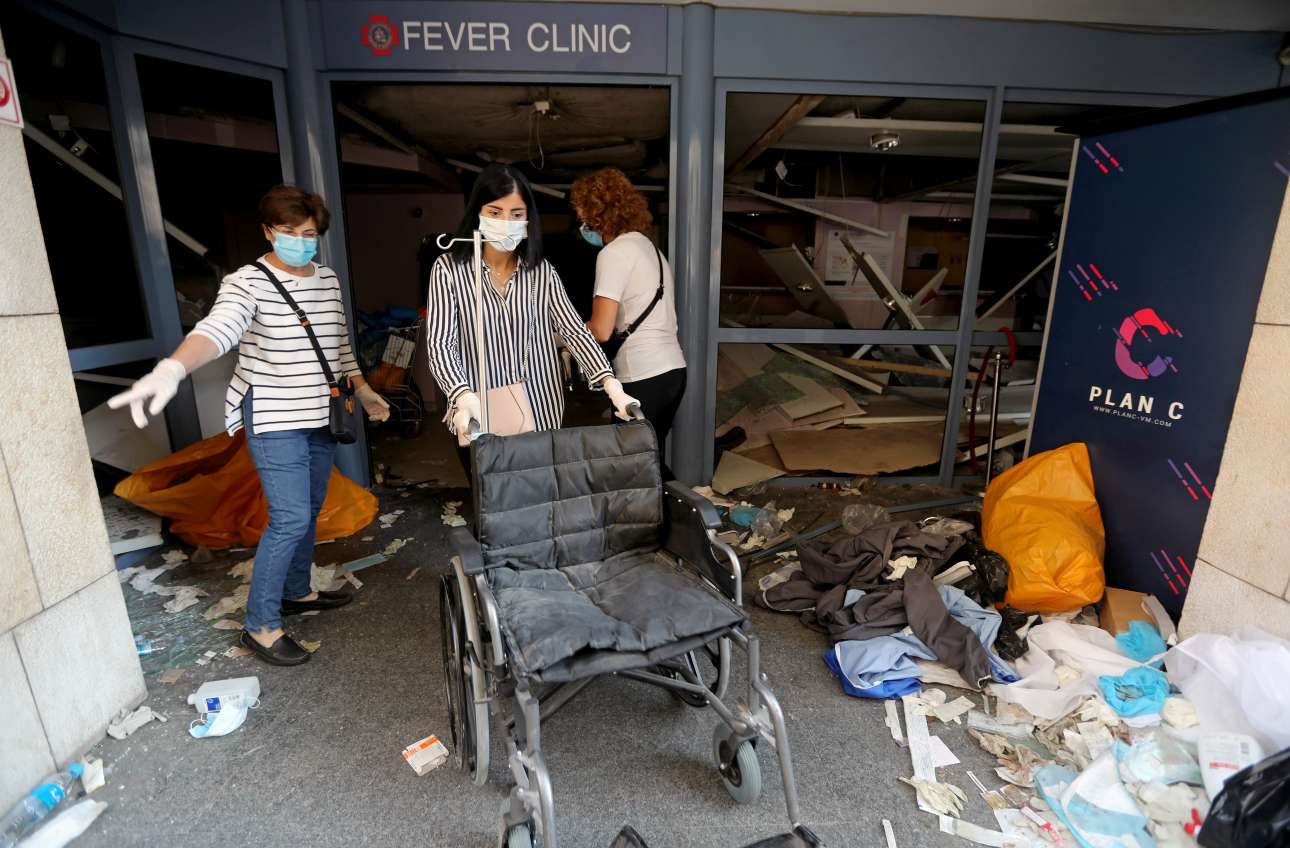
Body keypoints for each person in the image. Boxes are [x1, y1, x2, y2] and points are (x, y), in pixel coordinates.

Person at [107, 185, 390, 667]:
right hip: (275, 418)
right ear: (268, 232)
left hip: (322, 413)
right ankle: (260, 626)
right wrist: (173, 368)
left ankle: (296, 592)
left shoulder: (326, 279)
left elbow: (339, 343)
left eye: (309, 234)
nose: (300, 241)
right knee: (290, 518)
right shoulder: (247, 283)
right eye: (289, 232)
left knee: (310, 508)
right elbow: (217, 329)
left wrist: (361, 389)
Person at [426, 164, 639, 477]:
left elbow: (574, 332)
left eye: (516, 214)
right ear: (477, 213)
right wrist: (461, 394)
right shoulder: (449, 270)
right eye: (495, 212)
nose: (506, 222)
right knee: (493, 499)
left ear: (528, 219)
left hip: (541, 410)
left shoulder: (541, 273)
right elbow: (441, 344)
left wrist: (611, 385)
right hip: (478, 413)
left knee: (541, 494)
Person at [571, 168, 687, 478]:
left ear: (597, 213)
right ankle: (681, 508)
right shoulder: (650, 249)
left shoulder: (614, 253)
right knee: (648, 462)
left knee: (626, 470)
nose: (581, 221)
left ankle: (680, 507)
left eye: (582, 213)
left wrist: (563, 335)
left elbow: (601, 329)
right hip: (673, 371)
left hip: (643, 375)